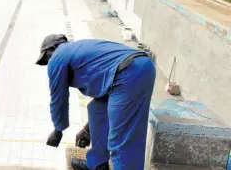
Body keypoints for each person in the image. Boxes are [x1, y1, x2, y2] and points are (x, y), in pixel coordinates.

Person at [35, 34, 156, 170]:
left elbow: (58, 99)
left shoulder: (58, 56)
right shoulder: (78, 49)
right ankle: (97, 165)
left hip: (129, 73)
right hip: (133, 68)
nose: (48, 63)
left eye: (46, 58)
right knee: (97, 109)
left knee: (123, 141)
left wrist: (58, 131)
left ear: (52, 48)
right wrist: (87, 130)